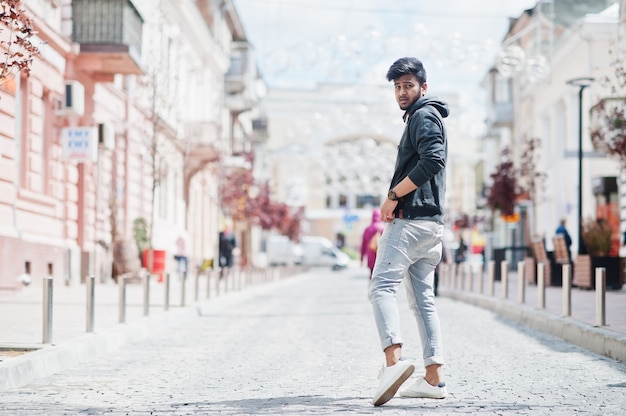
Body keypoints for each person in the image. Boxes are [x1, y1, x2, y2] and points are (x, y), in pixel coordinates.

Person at [368, 57, 449, 406]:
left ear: (423, 87)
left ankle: (393, 363)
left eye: (408, 85)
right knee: (422, 302)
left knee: (380, 288)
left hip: (412, 222)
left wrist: (393, 196)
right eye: (398, 86)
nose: (402, 92)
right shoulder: (422, 115)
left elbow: (434, 159)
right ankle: (433, 379)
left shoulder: (423, 115)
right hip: (432, 227)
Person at [361, 209, 385, 279]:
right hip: (381, 255)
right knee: (381, 276)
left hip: (370, 256)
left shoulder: (367, 229)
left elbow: (363, 244)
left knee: (372, 275)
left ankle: (372, 289)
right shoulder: (384, 228)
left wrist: (361, 258)